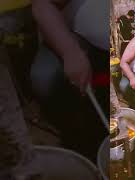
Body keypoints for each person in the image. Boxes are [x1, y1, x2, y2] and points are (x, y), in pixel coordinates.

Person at [30, 0, 107, 162]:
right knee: (45, 77)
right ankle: (82, 149)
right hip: (80, 39)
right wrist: (70, 52)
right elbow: (42, 4)